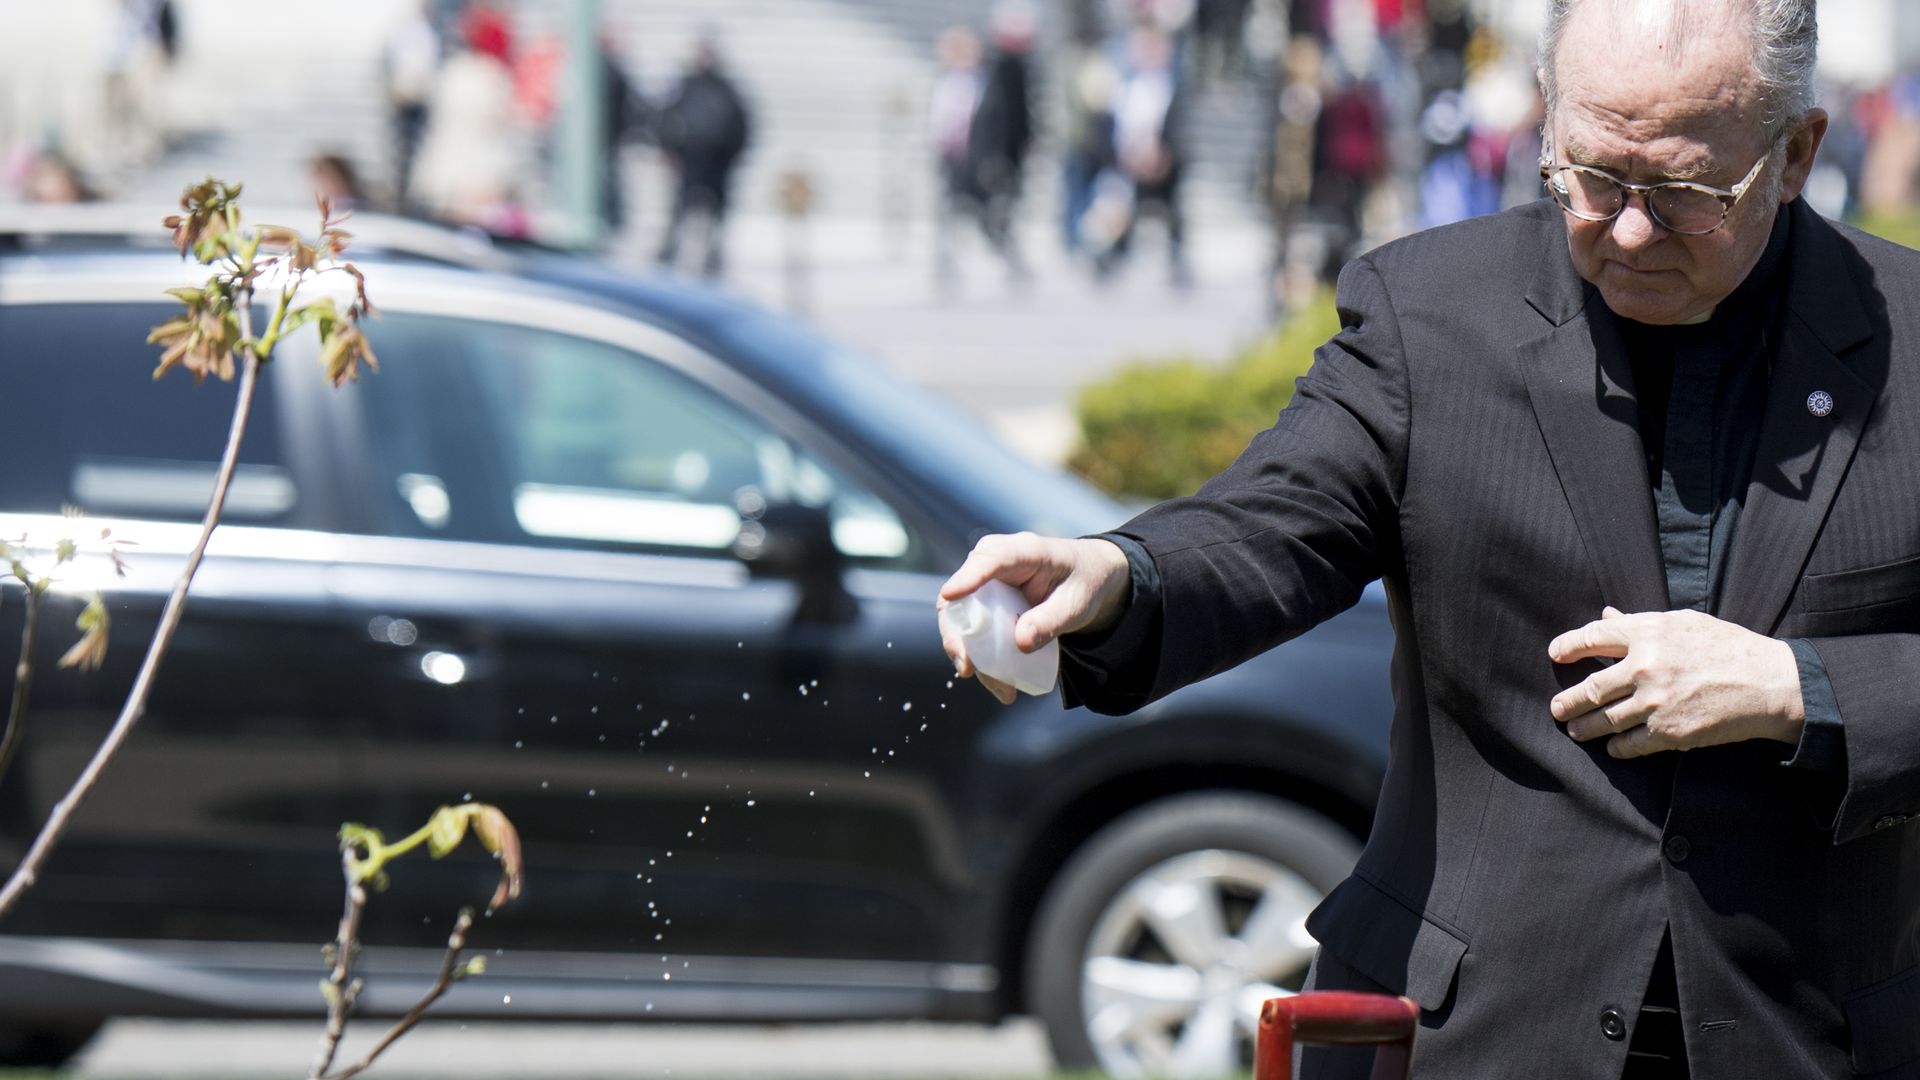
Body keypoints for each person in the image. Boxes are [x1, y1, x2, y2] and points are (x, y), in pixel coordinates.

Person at [941, 2, 1920, 1077]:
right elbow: (1272, 522)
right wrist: (1121, 574)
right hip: (1473, 1037)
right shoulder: (1431, 313)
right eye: (1595, 177)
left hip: (1814, 1041)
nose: (1631, 229)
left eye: (1684, 193)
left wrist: (1801, 688)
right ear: (1548, 129)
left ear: (1795, 155)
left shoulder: (1906, 343)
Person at [653, 29, 752, 279]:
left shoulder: (726, 88)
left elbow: (742, 125)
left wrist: (734, 155)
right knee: (680, 211)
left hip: (717, 162)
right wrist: (667, 149)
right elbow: (665, 118)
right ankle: (669, 252)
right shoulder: (685, 85)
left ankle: (712, 257)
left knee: (715, 215)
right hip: (689, 160)